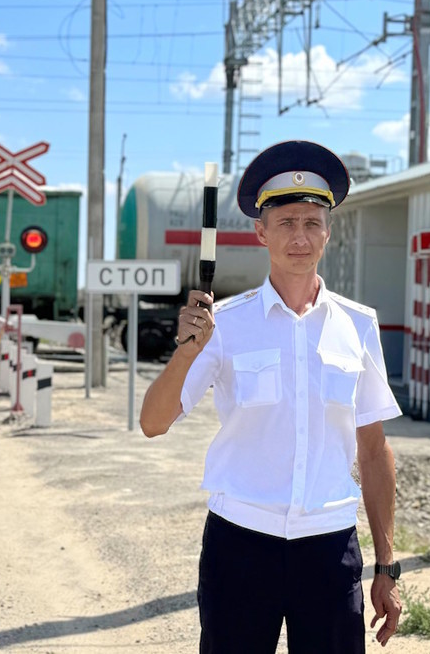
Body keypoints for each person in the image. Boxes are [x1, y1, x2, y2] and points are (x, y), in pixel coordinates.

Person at [140, 140, 403, 653]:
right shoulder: (225, 326)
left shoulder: (358, 325)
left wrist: (387, 565)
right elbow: (153, 423)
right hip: (240, 544)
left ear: (328, 232)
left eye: (312, 222)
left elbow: (373, 450)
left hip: (329, 550)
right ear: (261, 232)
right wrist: (185, 354)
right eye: (286, 222)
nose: (300, 237)